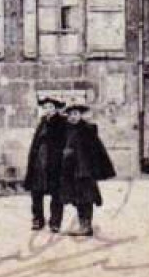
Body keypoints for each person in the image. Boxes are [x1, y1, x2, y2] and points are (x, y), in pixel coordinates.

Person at [54, 102, 113, 237]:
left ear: (80, 115)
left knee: (87, 197)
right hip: (70, 170)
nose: (73, 117)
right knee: (76, 198)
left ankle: (86, 225)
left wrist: (92, 166)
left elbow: (96, 150)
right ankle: (83, 224)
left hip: (85, 170)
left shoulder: (88, 129)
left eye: (76, 114)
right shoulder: (65, 130)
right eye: (71, 114)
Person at [24, 97, 66, 232]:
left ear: (56, 108)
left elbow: (63, 142)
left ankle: (55, 222)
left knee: (57, 193)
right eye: (46, 107)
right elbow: (35, 143)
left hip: (55, 163)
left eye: (51, 107)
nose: (48, 110)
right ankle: (38, 219)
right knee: (36, 192)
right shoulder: (42, 122)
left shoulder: (62, 123)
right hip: (39, 163)